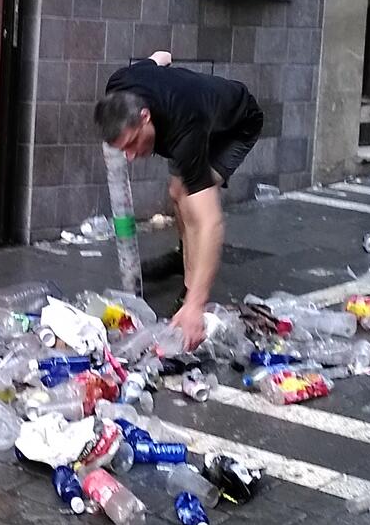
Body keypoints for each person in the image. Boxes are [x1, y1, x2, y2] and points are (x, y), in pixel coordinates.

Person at [95, 52, 262, 348]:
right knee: (177, 191)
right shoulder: (119, 85)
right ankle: (185, 259)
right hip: (193, 116)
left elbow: (211, 222)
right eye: (123, 149)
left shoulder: (184, 129)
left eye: (133, 143)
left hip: (236, 126)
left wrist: (196, 307)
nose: (130, 156)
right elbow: (160, 57)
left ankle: (191, 294)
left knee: (191, 199)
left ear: (145, 116)